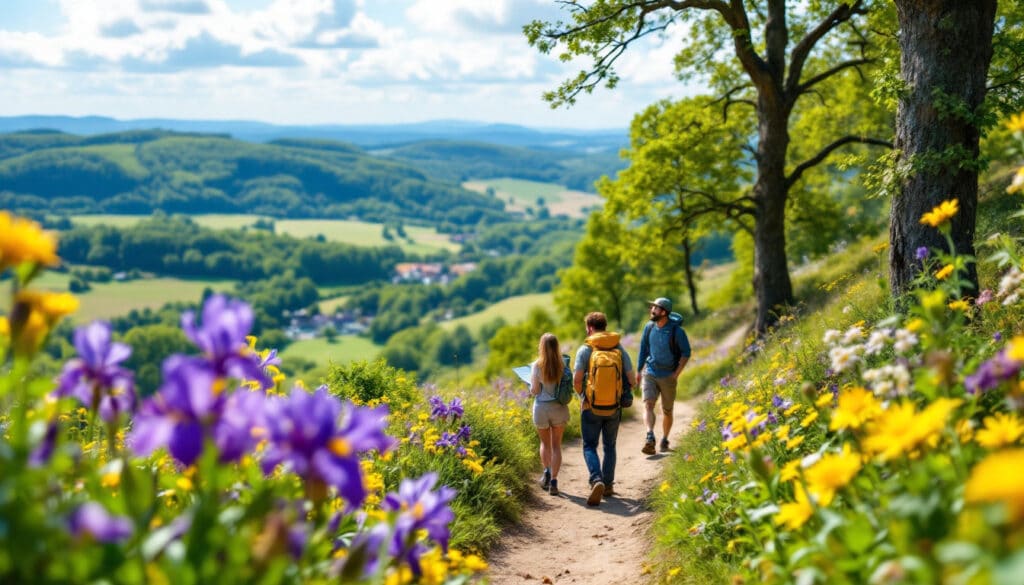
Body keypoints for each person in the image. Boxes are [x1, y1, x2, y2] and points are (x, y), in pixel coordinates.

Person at [573, 312, 636, 506]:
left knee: (589, 445)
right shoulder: (618, 348)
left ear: (590, 328)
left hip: (590, 407)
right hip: (613, 408)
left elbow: (576, 380)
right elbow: (632, 380)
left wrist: (584, 395)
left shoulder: (585, 350)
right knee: (610, 446)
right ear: (605, 326)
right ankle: (608, 485)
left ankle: (596, 479)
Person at [637, 297, 691, 455]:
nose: (651, 310)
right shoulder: (648, 327)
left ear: (664, 312)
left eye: (655, 308)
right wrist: (639, 371)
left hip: (668, 376)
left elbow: (686, 353)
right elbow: (643, 350)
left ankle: (665, 439)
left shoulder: (677, 331)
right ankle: (650, 436)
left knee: (667, 411)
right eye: (652, 307)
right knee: (648, 404)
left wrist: (676, 374)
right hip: (650, 372)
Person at [531, 332, 570, 496]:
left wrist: (531, 387)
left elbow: (535, 390)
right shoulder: (563, 364)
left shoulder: (536, 365)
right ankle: (554, 481)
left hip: (541, 409)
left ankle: (546, 472)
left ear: (541, 347)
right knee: (556, 446)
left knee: (545, 445)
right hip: (559, 408)